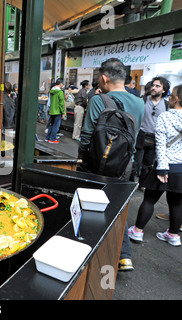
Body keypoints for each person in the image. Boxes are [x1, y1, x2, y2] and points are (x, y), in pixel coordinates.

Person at [78, 58, 145, 271]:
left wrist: (82, 160)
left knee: (91, 206)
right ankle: (123, 256)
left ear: (105, 78)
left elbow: (87, 135)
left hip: (98, 165)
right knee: (118, 208)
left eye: (99, 79)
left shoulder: (100, 100)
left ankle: (87, 250)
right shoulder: (139, 102)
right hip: (126, 166)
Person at [128, 85, 182, 247]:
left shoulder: (165, 117)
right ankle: (173, 235)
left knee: (150, 199)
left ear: (177, 99)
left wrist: (163, 168)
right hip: (180, 168)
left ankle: (137, 232)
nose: (169, 98)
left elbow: (160, 145)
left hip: (164, 166)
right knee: (176, 203)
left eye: (171, 96)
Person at [131, 77, 170, 180]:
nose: (154, 88)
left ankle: (143, 184)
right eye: (153, 85)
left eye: (157, 86)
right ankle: (132, 183)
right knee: (135, 162)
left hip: (155, 138)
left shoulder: (166, 105)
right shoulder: (142, 100)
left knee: (148, 164)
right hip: (141, 135)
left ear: (164, 90)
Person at [45, 78, 65, 144]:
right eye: (63, 84)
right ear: (61, 84)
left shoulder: (52, 91)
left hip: (51, 110)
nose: (63, 86)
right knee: (56, 126)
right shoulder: (60, 92)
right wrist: (63, 112)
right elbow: (61, 103)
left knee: (51, 125)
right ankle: (52, 139)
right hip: (57, 111)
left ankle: (47, 138)